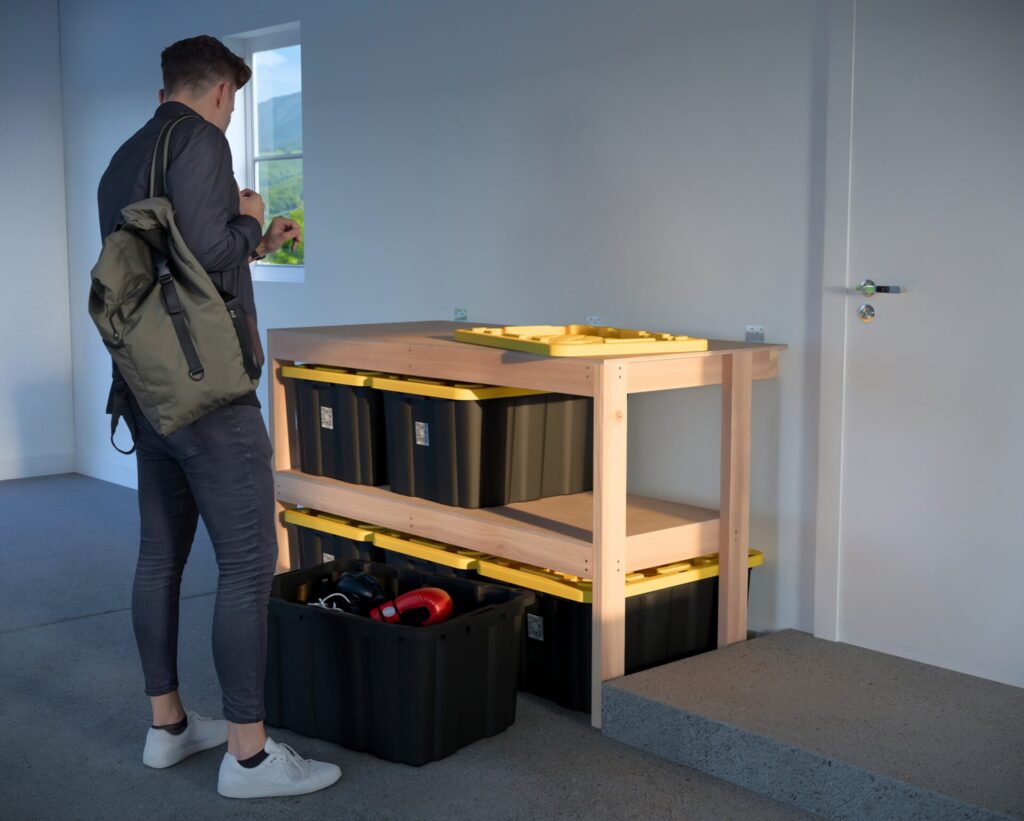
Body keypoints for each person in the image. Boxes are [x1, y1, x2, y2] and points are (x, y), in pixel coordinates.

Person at [97, 35, 340, 799]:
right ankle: (249, 755)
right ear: (222, 94)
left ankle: (167, 726)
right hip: (211, 395)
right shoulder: (201, 141)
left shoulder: (124, 156)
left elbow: (170, 264)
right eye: (232, 101)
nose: (229, 113)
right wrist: (252, 214)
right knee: (246, 560)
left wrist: (253, 244)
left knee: (160, 552)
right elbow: (206, 248)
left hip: (149, 389)